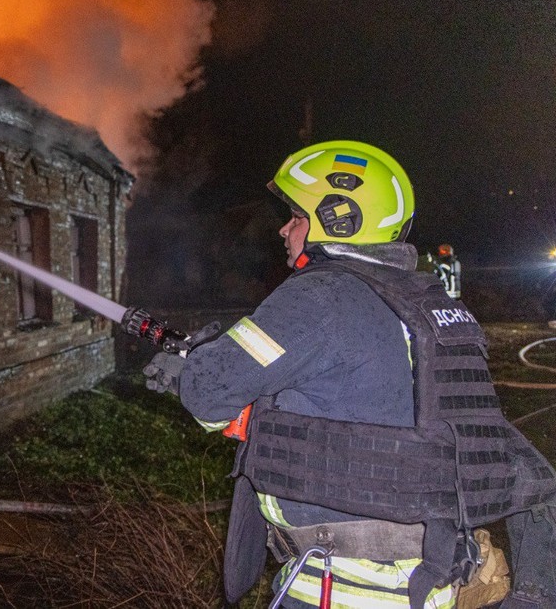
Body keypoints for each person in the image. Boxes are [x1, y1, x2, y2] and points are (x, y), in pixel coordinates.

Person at [143, 140, 556, 609]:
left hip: (337, 589)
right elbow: (366, 412)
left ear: (340, 218)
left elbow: (207, 391)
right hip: (429, 585)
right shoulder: (436, 308)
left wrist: (187, 369)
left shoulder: (321, 295)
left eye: (297, 216)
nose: (284, 228)